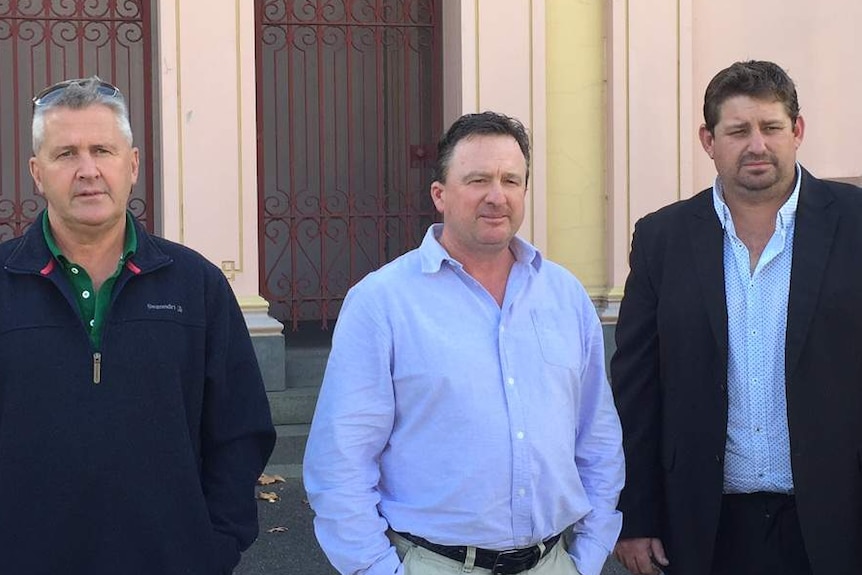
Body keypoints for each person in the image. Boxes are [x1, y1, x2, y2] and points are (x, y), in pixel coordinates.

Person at [303, 111, 624, 575]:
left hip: (555, 563)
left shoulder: (565, 296)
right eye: (478, 180)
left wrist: (589, 554)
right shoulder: (382, 303)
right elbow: (341, 461)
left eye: (511, 180)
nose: (497, 196)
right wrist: (374, 568)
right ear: (440, 194)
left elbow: (597, 436)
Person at [0, 76, 276, 574]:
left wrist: (212, 548)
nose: (88, 171)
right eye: (66, 154)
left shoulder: (197, 285)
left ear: (132, 165)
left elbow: (240, 430)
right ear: (37, 174)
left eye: (102, 150)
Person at [611, 60, 862, 575]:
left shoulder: (856, 224)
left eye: (771, 128)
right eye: (738, 131)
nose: (757, 145)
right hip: (703, 525)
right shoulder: (662, 239)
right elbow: (636, 391)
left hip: (838, 520)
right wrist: (634, 516)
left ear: (797, 131)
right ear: (708, 140)